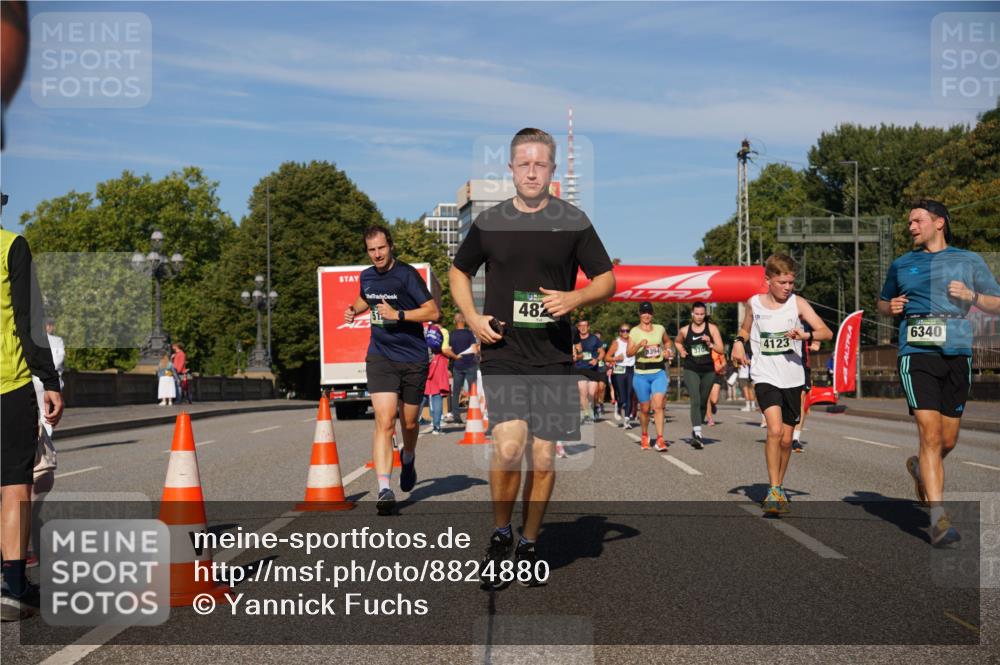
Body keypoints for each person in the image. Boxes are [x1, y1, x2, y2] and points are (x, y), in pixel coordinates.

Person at [450, 127, 614, 589]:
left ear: (553, 170)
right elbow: (459, 271)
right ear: (511, 169)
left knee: (543, 459)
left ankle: (529, 542)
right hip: (503, 351)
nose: (531, 172)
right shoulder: (491, 222)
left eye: (540, 164)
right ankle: (501, 533)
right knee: (508, 448)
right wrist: (472, 318)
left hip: (553, 356)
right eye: (523, 164)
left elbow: (607, 280)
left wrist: (575, 298)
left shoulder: (572, 221)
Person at [878, 199, 1000, 547]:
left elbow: (997, 302)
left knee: (947, 440)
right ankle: (939, 522)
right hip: (916, 353)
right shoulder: (903, 264)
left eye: (917, 221)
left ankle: (921, 468)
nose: (911, 227)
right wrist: (890, 307)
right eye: (909, 222)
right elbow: (882, 302)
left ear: (939, 223)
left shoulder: (968, 260)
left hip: (957, 354)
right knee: (930, 436)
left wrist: (972, 295)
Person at [345, 225, 440, 516]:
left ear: (391, 246)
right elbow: (366, 297)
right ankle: (385, 488)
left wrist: (398, 314)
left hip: (412, 359)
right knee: (385, 421)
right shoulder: (367, 276)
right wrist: (354, 309)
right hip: (381, 356)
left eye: (381, 248)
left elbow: (433, 312)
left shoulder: (406, 275)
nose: (377, 254)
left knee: (408, 423)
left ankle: (408, 457)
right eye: (371, 250)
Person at [732, 254, 831, 516]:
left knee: (787, 440)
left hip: (792, 377)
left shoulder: (798, 304)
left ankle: (779, 485)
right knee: (774, 431)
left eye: (791, 282)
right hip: (764, 375)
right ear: (768, 280)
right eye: (782, 282)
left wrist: (805, 334)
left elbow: (826, 331)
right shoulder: (754, 303)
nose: (787, 287)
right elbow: (745, 329)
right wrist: (738, 343)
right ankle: (774, 489)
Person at [1, 229, 64, 619]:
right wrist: (50, 381)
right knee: (13, 485)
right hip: (6, 384)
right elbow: (29, 319)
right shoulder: (11, 246)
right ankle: (13, 585)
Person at [674, 302, 724, 449]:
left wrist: (710, 344)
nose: (699, 317)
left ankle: (697, 428)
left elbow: (721, 349)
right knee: (695, 399)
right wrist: (681, 351)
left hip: (708, 370)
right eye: (697, 314)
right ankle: (697, 433)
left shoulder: (712, 329)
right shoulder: (684, 330)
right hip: (691, 368)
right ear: (692, 314)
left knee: (703, 402)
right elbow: (677, 342)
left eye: (702, 314)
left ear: (705, 314)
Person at [628, 301, 672, 451]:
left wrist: (667, 351)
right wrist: (639, 345)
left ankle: (660, 439)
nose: (646, 315)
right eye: (643, 312)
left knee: (658, 405)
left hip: (658, 372)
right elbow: (629, 353)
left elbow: (667, 341)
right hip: (641, 374)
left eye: (649, 312)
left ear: (652, 314)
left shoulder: (660, 329)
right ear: (639, 314)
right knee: (645, 409)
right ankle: (645, 435)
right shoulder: (634, 331)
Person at [443, 312, 478, 425]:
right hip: (470, 364)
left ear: (455, 321)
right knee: (473, 391)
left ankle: (456, 416)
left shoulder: (451, 334)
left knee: (456, 392)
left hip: (457, 366)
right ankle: (472, 415)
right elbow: (475, 349)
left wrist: (455, 358)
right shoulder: (469, 334)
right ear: (464, 321)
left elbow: (448, 350)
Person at [792, 321, 821, 453]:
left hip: (802, 364)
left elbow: (820, 329)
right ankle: (782, 431)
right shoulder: (775, 313)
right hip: (779, 365)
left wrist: (816, 342)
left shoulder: (805, 317)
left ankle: (795, 438)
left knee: (801, 399)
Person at [573, 318, 605, 423]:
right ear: (578, 328)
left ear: (588, 327)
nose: (583, 328)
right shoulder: (574, 339)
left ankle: (594, 408)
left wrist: (597, 360)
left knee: (592, 393)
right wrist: (575, 357)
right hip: (580, 368)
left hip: (592, 369)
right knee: (583, 392)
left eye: (585, 326)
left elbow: (602, 352)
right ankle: (586, 414)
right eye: (580, 326)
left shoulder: (594, 339)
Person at [606, 323, 636, 429]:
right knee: (622, 397)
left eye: (627, 331)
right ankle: (618, 406)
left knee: (630, 395)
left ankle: (627, 420)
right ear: (620, 332)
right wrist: (615, 358)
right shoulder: (616, 343)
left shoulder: (634, 342)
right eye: (623, 331)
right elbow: (607, 357)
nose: (625, 333)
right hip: (619, 370)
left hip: (631, 369)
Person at [423, 321, 450, 435]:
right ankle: (436, 427)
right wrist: (455, 356)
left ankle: (413, 422)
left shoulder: (424, 330)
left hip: (424, 364)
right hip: (438, 363)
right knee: (437, 396)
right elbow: (444, 349)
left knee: (422, 395)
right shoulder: (443, 331)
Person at [705, 347, 727, 427]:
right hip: (705, 374)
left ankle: (713, 405)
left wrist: (720, 366)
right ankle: (710, 419)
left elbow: (724, 362)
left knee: (714, 400)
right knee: (707, 397)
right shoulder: (702, 349)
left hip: (716, 375)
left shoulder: (717, 349)